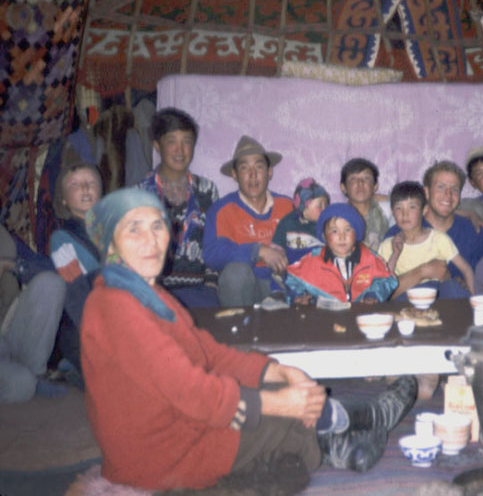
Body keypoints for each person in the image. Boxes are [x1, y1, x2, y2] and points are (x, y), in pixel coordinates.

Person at [80, 189, 418, 492]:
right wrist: (279, 403)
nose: (151, 241)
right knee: (278, 414)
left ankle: (350, 440)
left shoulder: (147, 293)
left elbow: (208, 352)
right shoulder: (115, 307)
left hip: (177, 425)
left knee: (277, 394)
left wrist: (276, 372)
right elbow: (192, 392)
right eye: (134, 229)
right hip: (161, 452)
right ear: (110, 242)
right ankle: (364, 422)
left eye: (157, 226)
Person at [137, 107, 220, 308]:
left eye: (187, 142)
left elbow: (215, 242)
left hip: (199, 290)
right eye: (172, 142)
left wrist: (211, 286)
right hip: (154, 291)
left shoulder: (206, 190)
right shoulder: (139, 194)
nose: (180, 150)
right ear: (157, 145)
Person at [203, 136, 293, 307]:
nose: (253, 175)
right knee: (236, 272)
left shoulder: (288, 206)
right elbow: (212, 254)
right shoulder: (221, 210)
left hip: (282, 285)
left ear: (269, 171)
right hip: (242, 288)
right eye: (245, 168)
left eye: (259, 166)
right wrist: (257, 251)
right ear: (235, 175)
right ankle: (238, 331)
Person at [384, 161, 483, 289]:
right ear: (426, 193)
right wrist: (422, 272)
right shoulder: (398, 233)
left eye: (454, 189)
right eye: (441, 187)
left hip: (459, 305)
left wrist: (464, 287)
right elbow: (384, 292)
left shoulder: (474, 231)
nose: (448, 195)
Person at [49, 161, 103, 382]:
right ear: (63, 199)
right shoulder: (62, 240)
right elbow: (75, 295)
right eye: (75, 185)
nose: (85, 188)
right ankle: (72, 366)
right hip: (84, 326)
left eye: (91, 183)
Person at [1, 223, 66, 403]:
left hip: (9, 330)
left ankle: (36, 373)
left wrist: (9, 265)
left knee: (51, 284)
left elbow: (50, 270)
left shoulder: (4, 238)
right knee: (21, 384)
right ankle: (27, 380)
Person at [379, 181, 474, 299]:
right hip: (406, 295)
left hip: (436, 292)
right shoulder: (388, 245)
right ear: (393, 213)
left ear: (424, 210)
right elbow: (383, 284)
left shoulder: (438, 239)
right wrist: (395, 254)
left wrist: (474, 297)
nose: (405, 214)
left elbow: (466, 269)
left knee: (452, 287)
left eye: (412, 207)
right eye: (399, 208)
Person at [286, 203, 397, 304]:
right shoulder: (313, 260)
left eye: (348, 229)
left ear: (357, 233)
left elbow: (388, 279)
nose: (342, 237)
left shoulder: (369, 258)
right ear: (324, 236)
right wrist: (298, 295)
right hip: (324, 318)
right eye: (334, 231)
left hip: (361, 315)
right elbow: (291, 278)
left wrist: (373, 294)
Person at [272, 177, 329, 265]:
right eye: (320, 206)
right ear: (304, 208)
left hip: (315, 265)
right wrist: (278, 255)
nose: (324, 209)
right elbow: (279, 239)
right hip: (292, 264)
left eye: (326, 205)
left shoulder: (325, 224)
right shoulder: (288, 221)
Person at [340, 158, 390, 251]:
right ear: (343, 187)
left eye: (366, 178)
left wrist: (389, 198)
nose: (360, 183)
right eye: (353, 179)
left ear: (375, 186)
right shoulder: (338, 217)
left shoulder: (386, 210)